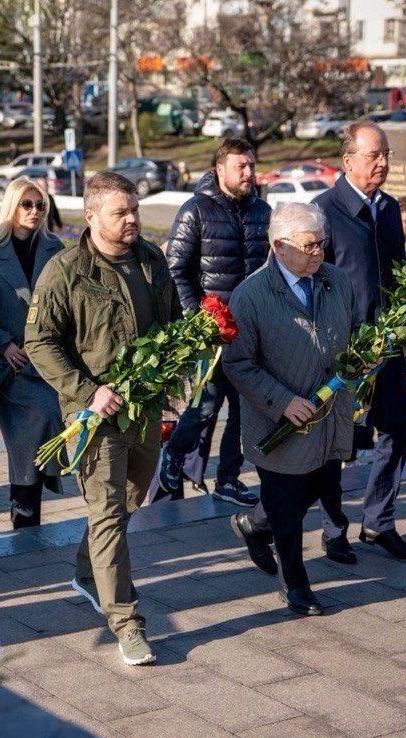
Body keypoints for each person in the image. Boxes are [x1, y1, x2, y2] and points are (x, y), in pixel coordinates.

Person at [25, 171, 181, 666]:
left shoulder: (152, 260)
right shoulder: (65, 270)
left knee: (127, 501)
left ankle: (85, 568)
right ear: (91, 217)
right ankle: (126, 622)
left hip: (144, 409)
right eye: (121, 212)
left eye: (134, 209)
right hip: (92, 416)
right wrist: (88, 393)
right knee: (109, 511)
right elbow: (39, 342)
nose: (133, 218)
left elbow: (172, 324)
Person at [224, 203, 359, 617]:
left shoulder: (335, 281)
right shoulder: (251, 294)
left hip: (329, 415)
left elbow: (352, 335)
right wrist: (283, 401)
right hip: (279, 420)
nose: (318, 252)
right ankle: (296, 584)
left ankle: (252, 523)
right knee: (287, 504)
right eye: (309, 245)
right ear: (279, 246)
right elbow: (238, 363)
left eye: (322, 243)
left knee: (314, 490)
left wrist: (362, 361)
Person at [314, 120, 406, 563]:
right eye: (374, 155)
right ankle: (332, 529)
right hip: (347, 351)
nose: (383, 162)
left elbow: (396, 273)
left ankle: (379, 522)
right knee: (340, 442)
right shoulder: (324, 210)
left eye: (386, 155)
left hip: (389, 344)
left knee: (398, 428)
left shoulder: (390, 208)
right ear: (348, 161)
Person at [157, 137, 270, 511]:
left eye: (252, 165)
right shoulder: (196, 210)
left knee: (244, 409)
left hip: (252, 332)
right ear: (220, 169)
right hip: (211, 332)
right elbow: (176, 271)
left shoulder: (262, 211)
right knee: (205, 406)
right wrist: (200, 317)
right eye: (242, 166)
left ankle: (228, 479)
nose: (249, 173)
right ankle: (173, 454)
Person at [0, 178, 66, 528]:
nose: (35, 211)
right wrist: (3, 343)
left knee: (44, 422)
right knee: (37, 421)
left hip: (50, 360)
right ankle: (26, 504)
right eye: (27, 204)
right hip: (9, 364)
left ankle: (26, 507)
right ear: (11, 206)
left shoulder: (56, 250)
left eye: (40, 205)